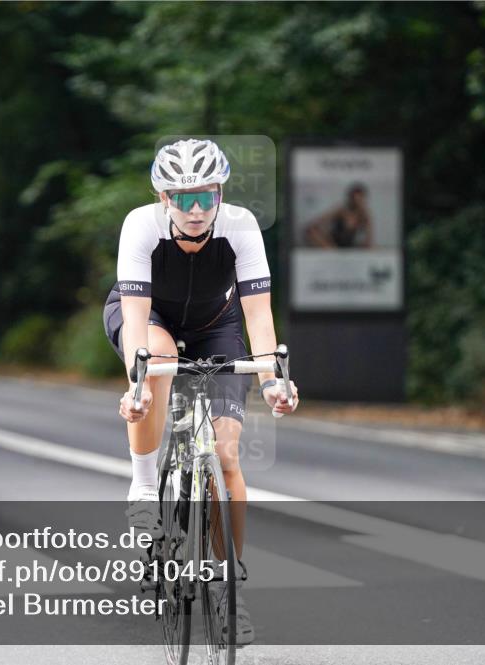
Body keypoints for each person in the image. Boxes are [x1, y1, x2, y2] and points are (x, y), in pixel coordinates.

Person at [103, 138, 300, 644]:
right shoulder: (140, 226)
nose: (195, 210)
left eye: (205, 196)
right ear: (162, 197)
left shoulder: (240, 227)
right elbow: (136, 318)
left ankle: (226, 580)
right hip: (153, 318)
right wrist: (137, 385)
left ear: (220, 192)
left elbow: (258, 318)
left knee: (228, 455)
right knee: (161, 364)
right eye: (182, 198)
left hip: (219, 325)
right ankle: (145, 484)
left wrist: (273, 381)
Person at [304, 182, 373, 248]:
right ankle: (332, 251)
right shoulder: (341, 211)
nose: (357, 201)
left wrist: (367, 219)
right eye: (354, 198)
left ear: (363, 199)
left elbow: (369, 241)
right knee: (311, 231)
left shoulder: (364, 215)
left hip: (349, 246)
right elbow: (318, 221)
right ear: (350, 198)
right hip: (332, 245)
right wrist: (323, 232)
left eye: (359, 199)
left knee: (374, 248)